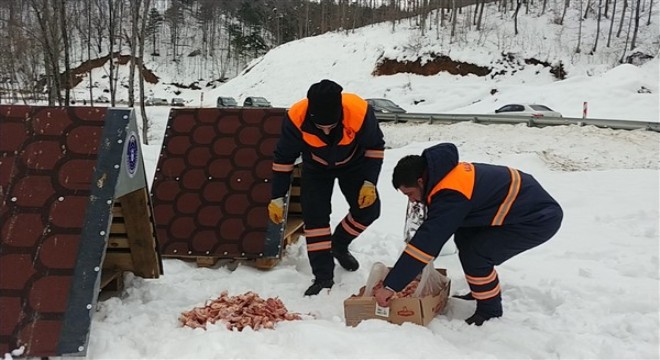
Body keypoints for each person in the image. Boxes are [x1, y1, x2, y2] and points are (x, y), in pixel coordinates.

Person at [374, 142, 563, 325]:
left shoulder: (450, 193)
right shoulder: (443, 175)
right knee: (465, 238)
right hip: (515, 208)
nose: (413, 200)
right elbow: (435, 233)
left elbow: (428, 241)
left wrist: (391, 285)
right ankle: (482, 290)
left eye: (410, 194)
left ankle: (490, 311)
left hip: (536, 218)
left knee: (476, 255)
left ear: (421, 181)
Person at [268, 79, 385, 296]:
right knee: (315, 220)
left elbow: (375, 147)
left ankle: (339, 244)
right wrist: (277, 196)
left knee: (369, 210)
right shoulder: (296, 117)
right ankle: (323, 277)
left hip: (354, 164)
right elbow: (284, 158)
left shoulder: (358, 111)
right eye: (321, 126)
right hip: (316, 168)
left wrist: (369, 182)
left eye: (331, 126)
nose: (327, 130)